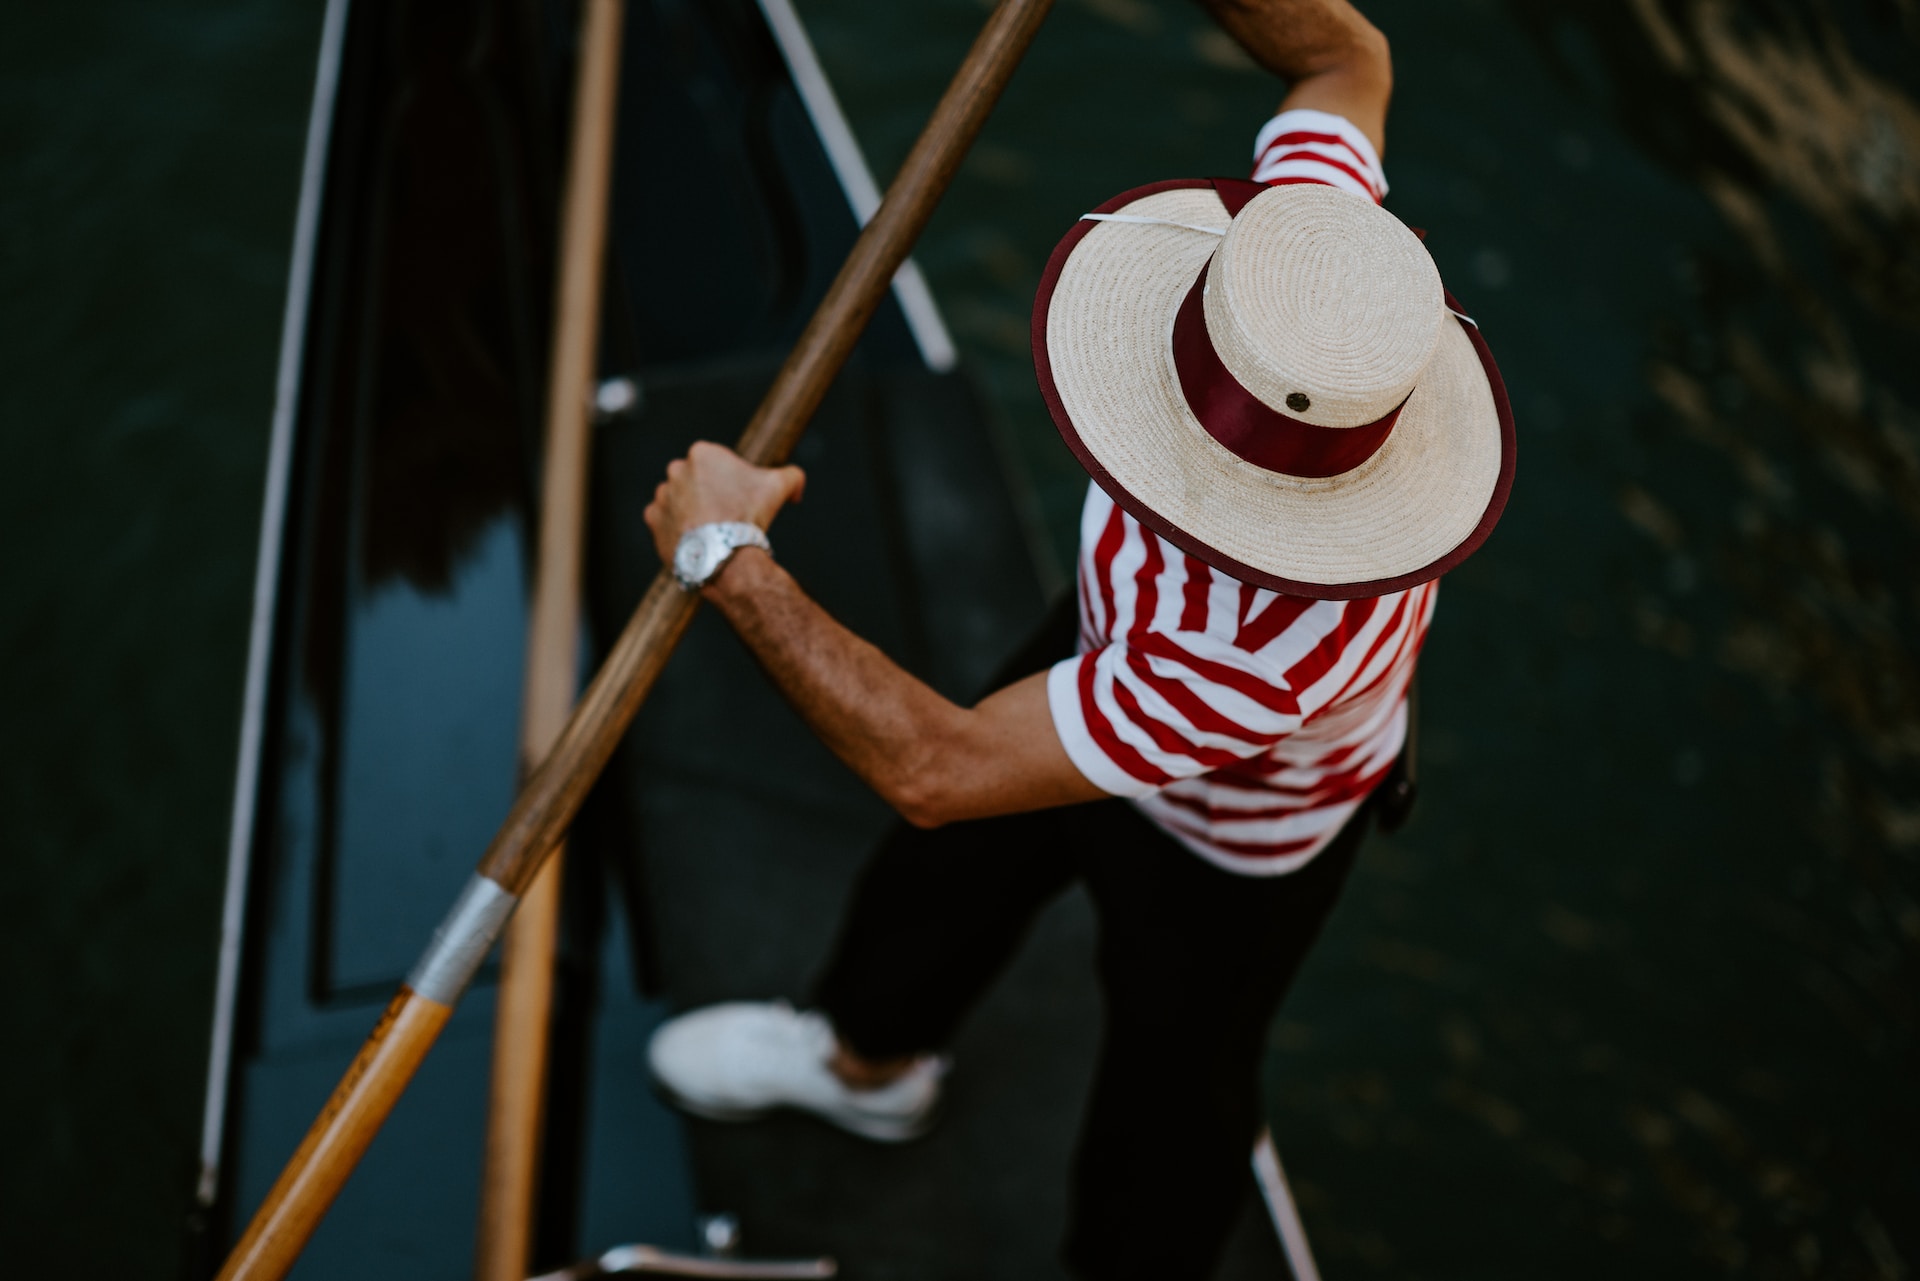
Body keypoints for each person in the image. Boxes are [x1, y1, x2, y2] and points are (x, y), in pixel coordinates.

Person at [641, 0, 1514, 1275]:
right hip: (1119, 644)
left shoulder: (1260, 646)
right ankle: (865, 1062)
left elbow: (934, 769)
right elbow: (1344, 54)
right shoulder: (1319, 273)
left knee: (1172, 1098)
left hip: (1235, 829)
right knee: (938, 889)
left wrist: (728, 558)